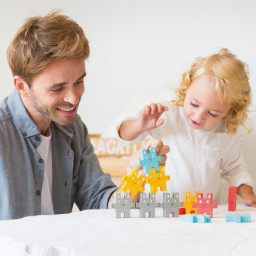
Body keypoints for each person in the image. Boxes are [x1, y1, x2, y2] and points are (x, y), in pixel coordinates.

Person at [0, 11, 169, 220]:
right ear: (21, 86)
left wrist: (136, 177)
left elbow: (100, 201)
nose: (73, 98)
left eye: (78, 82)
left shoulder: (73, 129)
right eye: (57, 88)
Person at [118, 48, 256, 206]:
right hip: (156, 208)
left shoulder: (225, 132)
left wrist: (248, 195)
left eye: (212, 113)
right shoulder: (166, 115)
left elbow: (236, 169)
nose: (198, 116)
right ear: (186, 88)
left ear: (230, 112)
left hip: (201, 212)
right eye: (194, 104)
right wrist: (139, 125)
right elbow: (124, 137)